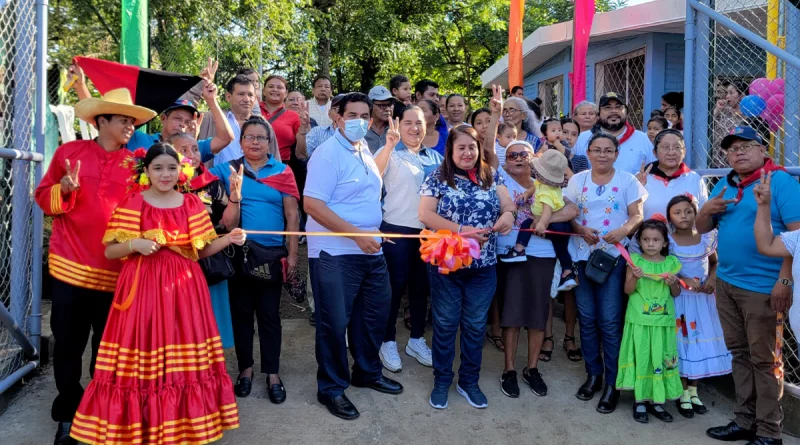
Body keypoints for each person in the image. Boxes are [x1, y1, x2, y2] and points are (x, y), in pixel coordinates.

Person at [69, 143, 244, 445]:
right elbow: (111, 251)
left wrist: (228, 237)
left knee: (181, 354)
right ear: (146, 171)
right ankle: (140, 426)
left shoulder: (190, 203)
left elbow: (200, 251)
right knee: (144, 350)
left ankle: (181, 428)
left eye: (172, 168)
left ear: (181, 171)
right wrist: (134, 245)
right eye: (159, 168)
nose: (166, 174)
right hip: (142, 289)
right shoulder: (133, 202)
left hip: (185, 289)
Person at [34, 88, 156, 445]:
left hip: (118, 273)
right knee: (68, 345)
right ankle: (68, 415)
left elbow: (149, 206)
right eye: (123, 120)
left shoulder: (137, 164)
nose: (130, 127)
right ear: (101, 121)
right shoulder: (69, 153)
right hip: (71, 268)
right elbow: (44, 198)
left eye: (132, 122)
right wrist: (65, 188)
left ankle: (99, 413)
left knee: (108, 350)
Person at [698, 126, 800, 445]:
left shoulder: (780, 181)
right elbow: (701, 227)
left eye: (747, 146)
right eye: (732, 149)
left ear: (762, 150)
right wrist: (706, 210)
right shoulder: (727, 183)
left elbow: (798, 239)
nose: (739, 152)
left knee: (765, 360)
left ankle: (770, 432)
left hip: (763, 287)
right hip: (727, 283)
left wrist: (785, 279)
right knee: (739, 354)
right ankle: (744, 421)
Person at [304, 93, 403, 420]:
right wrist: (357, 235)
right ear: (337, 117)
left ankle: (366, 371)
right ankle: (331, 388)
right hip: (336, 253)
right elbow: (313, 206)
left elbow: (370, 176)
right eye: (353, 114)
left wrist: (388, 146)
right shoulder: (326, 154)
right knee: (334, 323)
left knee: (373, 314)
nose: (360, 120)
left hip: (370, 249)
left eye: (364, 114)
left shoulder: (361, 149)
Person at [418, 126, 516, 410]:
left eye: (472, 147)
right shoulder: (437, 176)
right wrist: (462, 230)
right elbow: (425, 214)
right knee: (446, 324)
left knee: (474, 327)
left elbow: (507, 203)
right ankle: (442, 381)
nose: (467, 153)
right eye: (461, 147)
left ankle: (469, 381)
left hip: (483, 267)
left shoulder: (491, 174)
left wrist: (508, 214)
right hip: (446, 266)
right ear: (450, 150)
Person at [208, 118, 300, 405]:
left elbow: (293, 216)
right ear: (241, 140)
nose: (255, 142)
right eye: (249, 137)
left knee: (270, 316)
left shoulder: (283, 171)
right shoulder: (226, 170)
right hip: (239, 255)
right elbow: (193, 180)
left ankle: (272, 373)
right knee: (242, 314)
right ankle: (245, 370)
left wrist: (293, 253)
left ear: (270, 141)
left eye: (261, 137)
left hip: (272, 255)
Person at [565, 133, 647, 415]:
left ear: (616, 153)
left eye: (608, 150)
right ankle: (593, 375)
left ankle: (613, 383)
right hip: (582, 256)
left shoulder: (627, 181)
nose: (602, 155)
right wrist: (580, 230)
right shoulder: (578, 180)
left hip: (613, 260)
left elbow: (637, 215)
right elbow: (570, 215)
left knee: (610, 321)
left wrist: (623, 231)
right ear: (588, 152)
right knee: (587, 319)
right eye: (597, 150)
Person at [494, 140, 579, 399]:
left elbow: (573, 209)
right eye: (512, 155)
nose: (518, 158)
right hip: (515, 256)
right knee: (512, 311)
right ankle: (509, 369)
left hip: (544, 256)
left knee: (539, 312)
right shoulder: (504, 181)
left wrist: (544, 220)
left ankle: (532, 368)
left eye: (524, 154)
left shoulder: (551, 187)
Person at [373, 105, 443, 372]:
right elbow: (373, 179)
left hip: (428, 235)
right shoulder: (389, 152)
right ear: (398, 126)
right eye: (409, 123)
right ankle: (387, 340)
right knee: (393, 288)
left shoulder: (435, 158)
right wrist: (389, 146)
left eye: (420, 123)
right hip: (396, 232)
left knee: (421, 288)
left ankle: (416, 339)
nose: (415, 128)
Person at [171, 132, 242, 350]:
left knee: (211, 328)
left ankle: (210, 378)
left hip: (209, 262)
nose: (191, 155)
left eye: (194, 149)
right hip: (173, 266)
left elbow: (228, 224)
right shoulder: (161, 185)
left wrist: (234, 197)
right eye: (183, 150)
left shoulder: (211, 183)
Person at [666, 195, 731, 419]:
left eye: (688, 211)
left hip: (703, 301)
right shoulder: (668, 241)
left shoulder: (706, 238)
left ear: (696, 214)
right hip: (680, 300)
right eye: (677, 212)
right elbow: (665, 268)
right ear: (669, 217)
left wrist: (712, 279)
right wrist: (682, 277)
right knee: (682, 345)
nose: (683, 216)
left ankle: (694, 390)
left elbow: (714, 262)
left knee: (699, 343)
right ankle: (682, 391)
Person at [618, 219, 683, 423]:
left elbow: (676, 293)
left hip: (663, 324)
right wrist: (635, 277)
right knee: (642, 357)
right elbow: (627, 291)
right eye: (646, 239)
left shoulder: (671, 264)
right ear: (639, 241)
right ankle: (639, 400)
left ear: (664, 242)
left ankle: (657, 400)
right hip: (639, 321)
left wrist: (673, 283)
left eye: (656, 240)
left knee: (659, 358)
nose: (651, 244)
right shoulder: (634, 261)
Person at [499, 149, 577, 287]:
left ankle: (519, 249)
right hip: (562, 225)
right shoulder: (542, 184)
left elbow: (547, 211)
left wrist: (541, 223)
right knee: (561, 249)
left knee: (526, 224)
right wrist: (527, 194)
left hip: (553, 224)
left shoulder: (547, 192)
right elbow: (534, 187)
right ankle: (567, 271)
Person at [201, 75, 281, 165]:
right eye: (241, 94)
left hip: (253, 178)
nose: (246, 99)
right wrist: (201, 83)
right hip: (217, 177)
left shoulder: (264, 125)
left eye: (250, 95)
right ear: (228, 97)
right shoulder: (210, 119)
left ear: (255, 99)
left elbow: (275, 161)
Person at [574, 92, 655, 174]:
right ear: (598, 114)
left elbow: (654, 172)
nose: (614, 111)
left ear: (627, 112)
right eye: (607, 108)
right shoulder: (582, 139)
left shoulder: (642, 139)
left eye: (618, 107)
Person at [636, 129, 707, 220]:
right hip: (649, 234)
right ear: (655, 153)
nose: (671, 152)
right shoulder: (641, 178)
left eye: (677, 147)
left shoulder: (695, 178)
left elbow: (703, 215)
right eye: (665, 147)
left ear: (684, 152)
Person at [260, 75, 301, 163]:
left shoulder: (294, 116)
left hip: (280, 165)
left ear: (286, 93)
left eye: (279, 87)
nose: (275, 89)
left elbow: (302, 151)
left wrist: (305, 129)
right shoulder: (253, 110)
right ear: (263, 91)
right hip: (250, 163)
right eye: (271, 86)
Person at [296, 93, 346, 160]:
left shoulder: (360, 133)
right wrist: (303, 127)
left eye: (346, 109)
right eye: (338, 109)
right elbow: (301, 155)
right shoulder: (317, 132)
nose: (342, 113)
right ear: (329, 113)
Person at [366, 86, 394, 154]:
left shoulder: (398, 128)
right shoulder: (362, 128)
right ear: (370, 106)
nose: (388, 109)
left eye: (390, 105)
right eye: (382, 105)